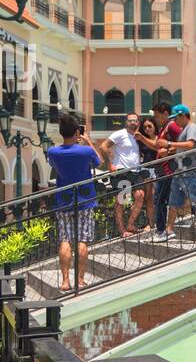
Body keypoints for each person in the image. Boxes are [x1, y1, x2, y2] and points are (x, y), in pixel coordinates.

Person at [46, 114, 101, 292]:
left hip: (64, 200)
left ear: (61, 132)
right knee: (82, 239)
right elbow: (99, 161)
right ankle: (80, 279)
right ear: (78, 132)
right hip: (85, 199)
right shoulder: (85, 151)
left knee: (65, 238)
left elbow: (54, 166)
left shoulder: (53, 152)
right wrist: (89, 142)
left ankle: (65, 281)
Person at [99, 113, 148, 237]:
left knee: (140, 195)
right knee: (121, 201)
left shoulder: (137, 136)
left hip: (135, 172)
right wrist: (110, 164)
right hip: (121, 172)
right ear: (126, 122)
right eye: (130, 120)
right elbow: (103, 146)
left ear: (138, 123)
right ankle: (122, 231)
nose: (133, 123)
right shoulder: (120, 134)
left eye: (135, 121)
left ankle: (130, 224)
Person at [146, 101, 181, 241]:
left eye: (157, 116)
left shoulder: (171, 126)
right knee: (160, 199)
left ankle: (161, 231)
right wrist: (142, 138)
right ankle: (160, 230)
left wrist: (168, 150)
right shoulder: (163, 128)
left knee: (160, 199)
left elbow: (183, 144)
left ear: (165, 114)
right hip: (163, 170)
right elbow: (157, 146)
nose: (155, 119)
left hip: (168, 170)